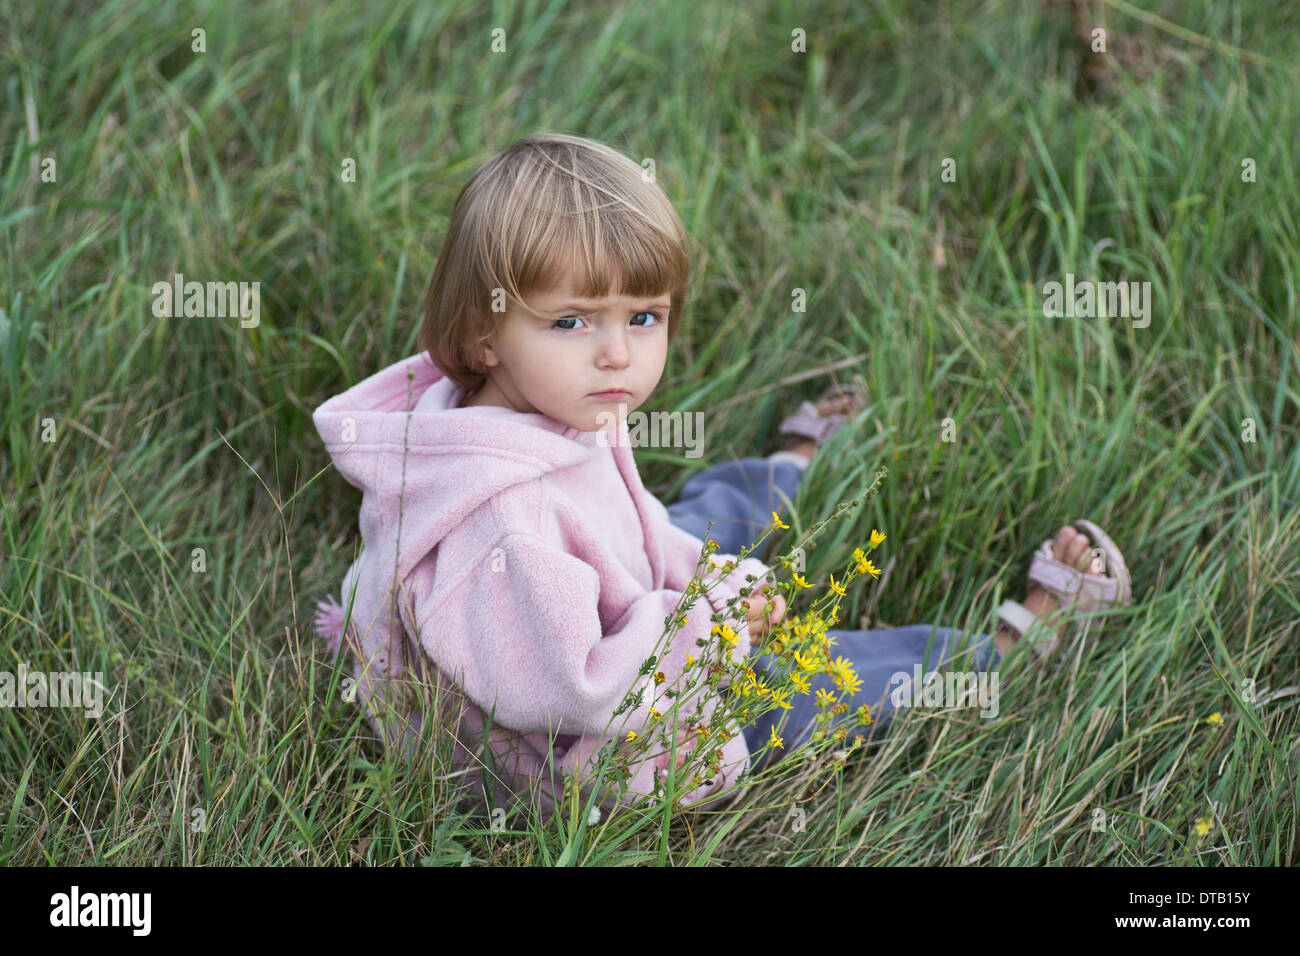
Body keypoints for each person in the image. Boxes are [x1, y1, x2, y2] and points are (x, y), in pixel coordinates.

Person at [312, 132, 1132, 820]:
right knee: (796, 688)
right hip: (573, 756)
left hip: (602, 609)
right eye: (571, 321)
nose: (617, 353)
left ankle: (786, 470)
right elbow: (583, 690)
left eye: (644, 316)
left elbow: (628, 526)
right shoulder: (505, 526)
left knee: (682, 525)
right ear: (484, 335)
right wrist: (722, 619)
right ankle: (1000, 656)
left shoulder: (547, 401)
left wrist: (703, 588)